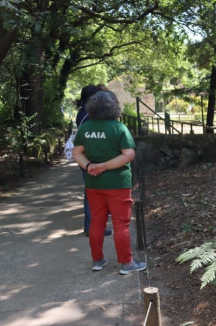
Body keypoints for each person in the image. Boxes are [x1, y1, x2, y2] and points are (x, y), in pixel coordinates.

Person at [72, 90, 146, 274]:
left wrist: (90, 166)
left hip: (93, 183)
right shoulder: (119, 128)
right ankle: (127, 263)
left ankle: (97, 260)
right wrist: (105, 166)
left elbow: (77, 153)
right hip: (117, 183)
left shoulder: (85, 128)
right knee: (121, 224)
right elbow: (128, 155)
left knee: (96, 222)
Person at [75, 85, 111, 237]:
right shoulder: (89, 114)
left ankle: (92, 226)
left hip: (86, 157)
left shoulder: (82, 112)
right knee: (92, 193)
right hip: (90, 158)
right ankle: (92, 226)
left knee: (91, 191)